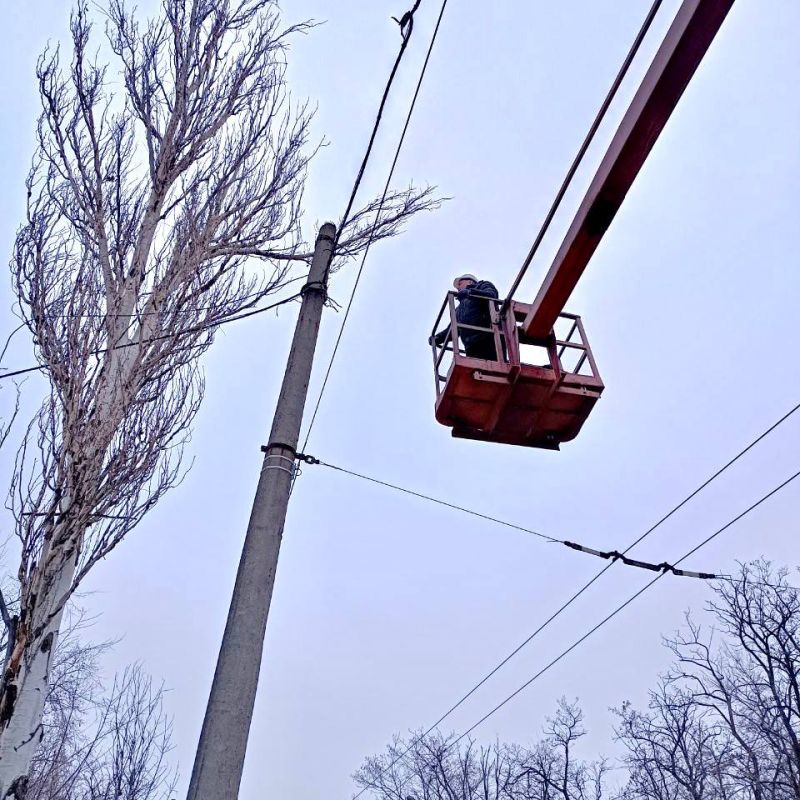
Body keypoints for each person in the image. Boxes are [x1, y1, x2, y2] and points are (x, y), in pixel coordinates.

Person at [431, 273, 502, 360]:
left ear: (470, 282)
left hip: (489, 339)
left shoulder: (482, 285)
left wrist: (470, 292)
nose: (458, 288)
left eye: (460, 283)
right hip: (471, 347)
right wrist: (437, 338)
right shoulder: (459, 309)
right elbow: (452, 329)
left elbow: (492, 295)